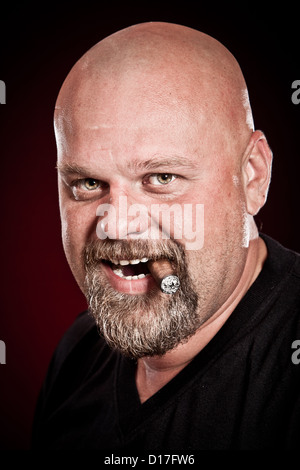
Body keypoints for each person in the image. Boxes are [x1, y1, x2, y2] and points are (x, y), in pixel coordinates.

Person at [32, 22, 300, 450]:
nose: (116, 225)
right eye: (86, 184)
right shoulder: (78, 352)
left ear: (253, 177)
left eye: (160, 178)